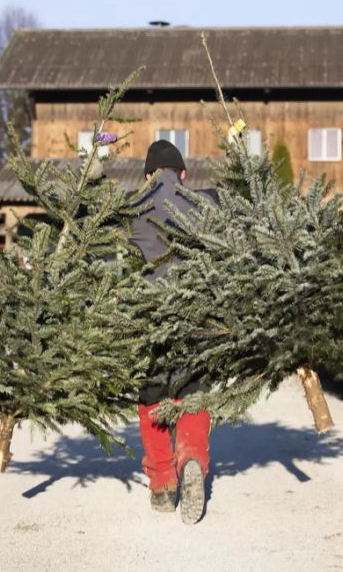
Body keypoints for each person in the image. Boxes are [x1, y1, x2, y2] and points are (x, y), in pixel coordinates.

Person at [130, 139, 212, 525]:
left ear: (147, 176)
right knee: (191, 393)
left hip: (148, 321)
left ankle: (163, 484)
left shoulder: (131, 207)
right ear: (183, 174)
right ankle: (192, 457)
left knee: (152, 398)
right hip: (193, 319)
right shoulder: (204, 203)